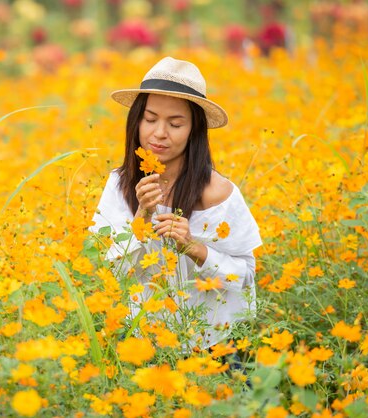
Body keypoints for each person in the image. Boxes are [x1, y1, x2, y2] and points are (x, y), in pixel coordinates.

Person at [90, 57, 262, 351]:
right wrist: (142, 217)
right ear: (136, 121)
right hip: (143, 345)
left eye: (175, 123)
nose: (159, 133)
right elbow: (105, 273)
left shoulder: (218, 193)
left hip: (214, 346)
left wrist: (194, 247)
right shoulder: (119, 185)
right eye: (150, 118)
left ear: (194, 131)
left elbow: (245, 277)